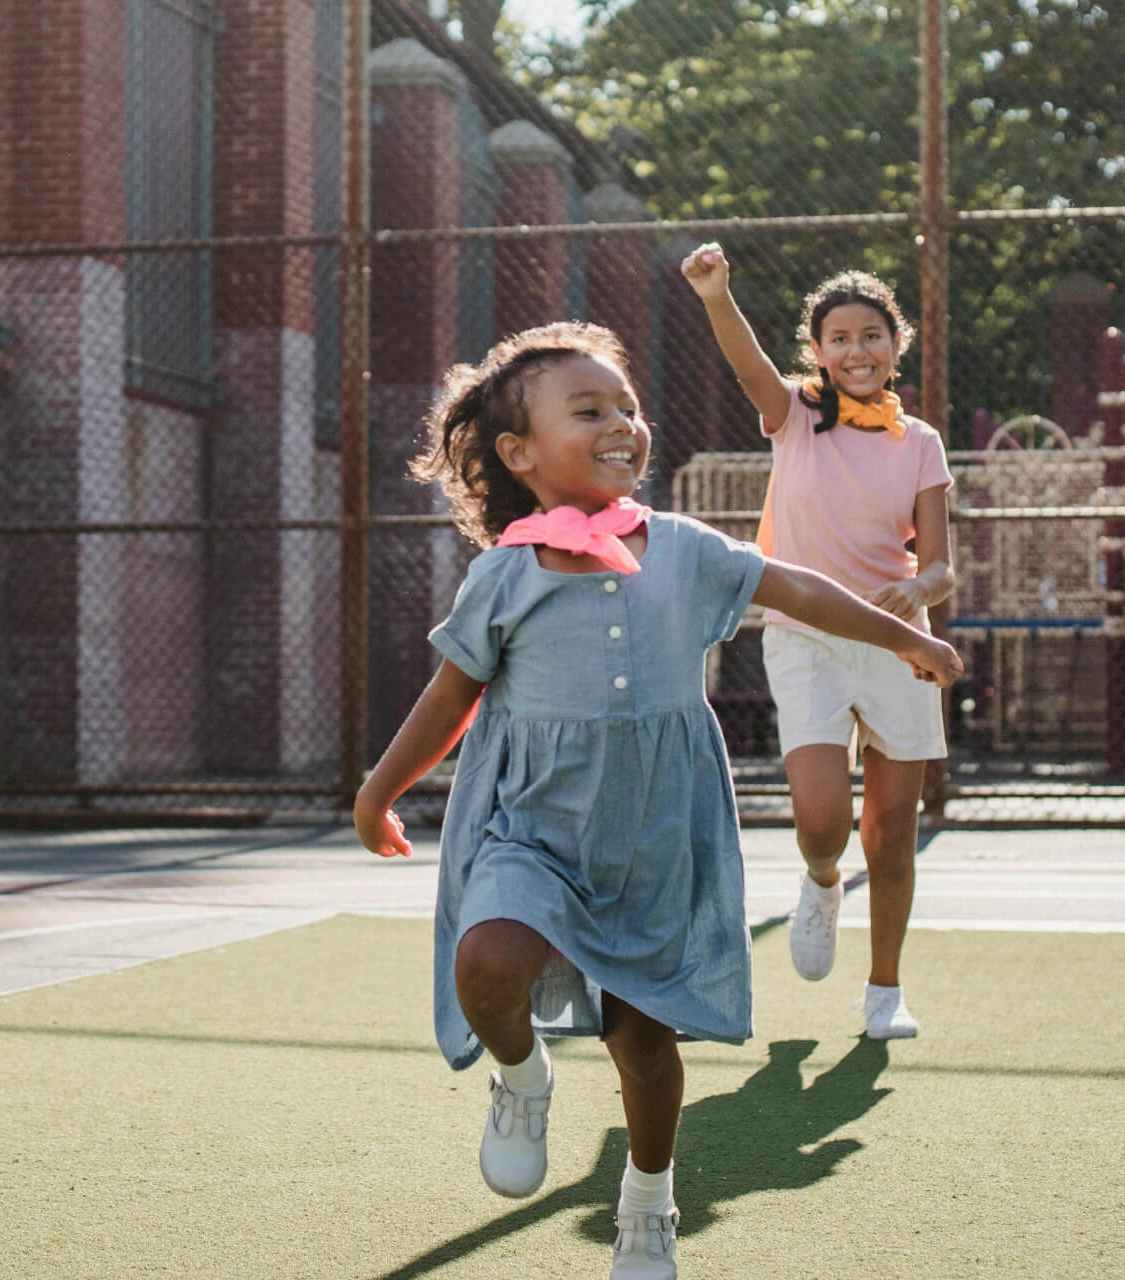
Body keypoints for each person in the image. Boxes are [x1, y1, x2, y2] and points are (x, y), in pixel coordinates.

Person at [352, 322, 963, 1279]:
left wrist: (903, 638)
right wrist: (381, 788)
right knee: (487, 961)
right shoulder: (503, 574)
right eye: (588, 410)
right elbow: (449, 697)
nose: (621, 424)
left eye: (627, 408)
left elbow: (798, 588)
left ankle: (648, 1200)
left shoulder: (682, 550)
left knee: (643, 1041)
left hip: (653, 834)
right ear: (519, 454)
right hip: (533, 825)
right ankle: (521, 1075)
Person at [680, 244, 954, 1041]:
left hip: (900, 642)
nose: (856, 351)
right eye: (839, 337)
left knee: (895, 830)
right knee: (824, 818)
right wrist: (716, 294)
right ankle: (823, 880)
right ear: (818, 350)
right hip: (802, 639)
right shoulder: (794, 415)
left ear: (894, 344)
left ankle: (883, 994)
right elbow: (746, 364)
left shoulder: (921, 443)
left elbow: (938, 565)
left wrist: (917, 592)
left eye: (872, 335)